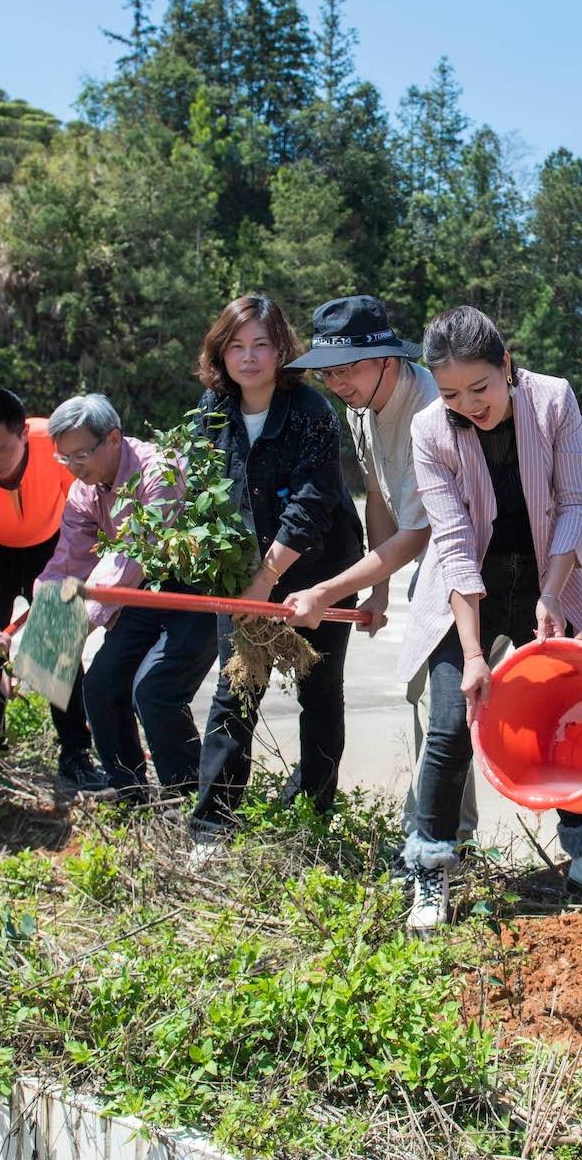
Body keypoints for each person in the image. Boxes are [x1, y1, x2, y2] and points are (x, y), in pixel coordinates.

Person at [398, 305, 582, 931]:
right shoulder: (430, 430)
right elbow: (451, 543)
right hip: (464, 590)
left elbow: (579, 502)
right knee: (450, 727)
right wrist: (474, 654)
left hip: (545, 574)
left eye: (480, 387)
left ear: (506, 365)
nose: (469, 405)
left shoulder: (553, 401)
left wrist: (554, 592)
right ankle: (431, 867)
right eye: (451, 393)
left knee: (568, 717)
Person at [281, 294, 478, 844]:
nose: (339, 382)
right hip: (433, 558)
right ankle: (442, 833)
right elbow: (380, 498)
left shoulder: (428, 409)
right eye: (329, 372)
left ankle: (442, 839)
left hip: (476, 557)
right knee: (437, 697)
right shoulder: (362, 408)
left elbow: (418, 532)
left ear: (387, 359)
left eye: (349, 369)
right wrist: (379, 594)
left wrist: (326, 590)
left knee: (439, 697)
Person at [187, 294, 365, 844]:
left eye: (260, 345)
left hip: (321, 570)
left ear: (281, 349)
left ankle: (313, 810)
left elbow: (311, 505)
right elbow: (201, 496)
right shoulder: (210, 410)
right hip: (243, 573)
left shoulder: (313, 413)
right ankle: (212, 825)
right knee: (236, 689)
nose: (248, 358)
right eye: (236, 346)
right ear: (220, 352)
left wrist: (265, 580)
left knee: (319, 688)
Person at [38, 394, 216, 804]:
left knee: (153, 689)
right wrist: (44, 620)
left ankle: (188, 797)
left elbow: (130, 555)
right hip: (142, 593)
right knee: (101, 685)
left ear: (113, 438)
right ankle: (128, 788)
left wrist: (78, 621)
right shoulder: (85, 491)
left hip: (193, 591)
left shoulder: (162, 472)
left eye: (81, 454)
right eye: (64, 458)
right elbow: (68, 561)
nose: (74, 466)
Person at [0, 386, 105, 795]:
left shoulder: (57, 444)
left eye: (1, 450)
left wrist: (69, 582)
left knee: (57, 650)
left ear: (24, 434)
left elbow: (85, 513)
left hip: (54, 546)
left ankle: (75, 755)